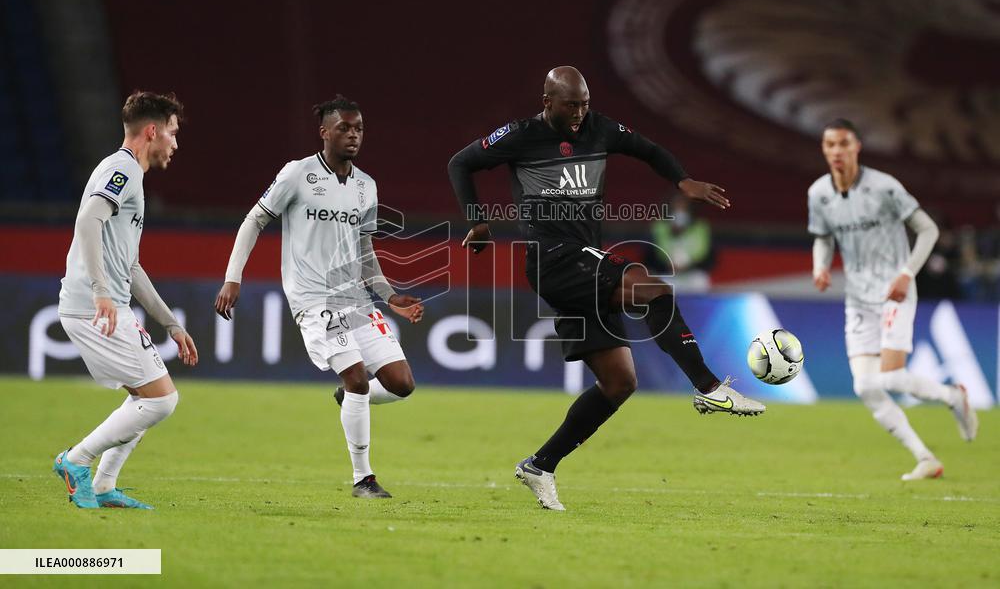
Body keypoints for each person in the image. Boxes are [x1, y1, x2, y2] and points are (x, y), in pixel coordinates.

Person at [447, 66, 764, 511]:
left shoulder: (600, 128)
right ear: (547, 102)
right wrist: (476, 219)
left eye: (584, 104)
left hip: (582, 260)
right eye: (570, 105)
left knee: (619, 382)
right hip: (554, 258)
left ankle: (540, 465)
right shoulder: (520, 135)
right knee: (652, 288)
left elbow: (647, 149)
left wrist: (682, 180)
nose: (578, 114)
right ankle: (710, 388)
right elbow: (460, 162)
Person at [215, 95, 423, 499]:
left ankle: (348, 398)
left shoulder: (366, 186)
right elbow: (255, 219)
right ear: (324, 132)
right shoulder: (297, 174)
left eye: (359, 128)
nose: (353, 135)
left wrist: (389, 294)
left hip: (356, 301)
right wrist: (232, 278)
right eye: (344, 128)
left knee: (402, 384)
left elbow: (366, 252)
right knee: (359, 378)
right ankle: (363, 479)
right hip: (314, 300)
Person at [809, 118, 978, 481]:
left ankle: (954, 396)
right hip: (857, 298)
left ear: (857, 147)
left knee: (891, 378)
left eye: (843, 144)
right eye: (830, 145)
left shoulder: (884, 187)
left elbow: (928, 229)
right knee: (866, 386)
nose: (836, 151)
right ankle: (925, 458)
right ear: (824, 150)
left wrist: (906, 273)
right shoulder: (819, 193)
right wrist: (820, 266)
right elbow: (822, 236)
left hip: (894, 291)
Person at [54, 91, 198, 509]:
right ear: (151, 131)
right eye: (172, 133)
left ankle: (103, 486)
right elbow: (87, 220)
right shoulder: (121, 169)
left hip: (107, 303)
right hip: (93, 305)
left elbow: (131, 267)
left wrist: (170, 322)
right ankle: (74, 460)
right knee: (161, 399)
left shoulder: (131, 176)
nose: (175, 142)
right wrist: (100, 290)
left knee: (146, 398)